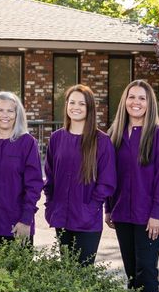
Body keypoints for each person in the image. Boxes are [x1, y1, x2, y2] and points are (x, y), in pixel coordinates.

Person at [106, 79, 159, 292]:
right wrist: (108, 209)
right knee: (132, 272)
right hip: (122, 213)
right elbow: (110, 175)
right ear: (125, 101)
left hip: (149, 216)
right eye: (132, 97)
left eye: (142, 98)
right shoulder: (114, 134)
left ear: (149, 103)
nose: (136, 102)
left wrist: (156, 213)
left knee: (147, 270)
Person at [44, 84, 116, 266]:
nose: (76, 107)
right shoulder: (56, 138)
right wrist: (50, 206)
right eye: (72, 102)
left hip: (87, 220)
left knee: (83, 275)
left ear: (89, 108)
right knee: (67, 272)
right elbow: (50, 176)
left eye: (82, 104)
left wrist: (90, 209)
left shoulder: (102, 141)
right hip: (61, 217)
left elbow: (107, 182)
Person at [0, 92, 43, 254]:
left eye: (10, 111)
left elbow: (34, 185)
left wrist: (26, 220)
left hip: (17, 225)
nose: (5, 115)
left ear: (17, 114)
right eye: (0, 110)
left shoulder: (27, 143)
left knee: (18, 278)